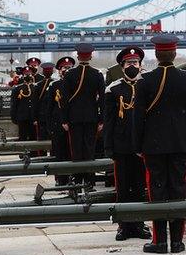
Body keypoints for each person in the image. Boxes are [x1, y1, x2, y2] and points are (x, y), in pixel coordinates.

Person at [133, 35, 186, 254]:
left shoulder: (145, 81)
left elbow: (137, 117)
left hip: (153, 145)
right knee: (178, 190)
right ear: (174, 54)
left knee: (157, 191)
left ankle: (160, 241)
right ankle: (178, 242)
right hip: (181, 144)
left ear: (156, 54)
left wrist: (138, 145)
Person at [104, 46, 151, 241]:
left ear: (140, 66)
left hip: (141, 147)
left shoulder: (147, 86)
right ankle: (124, 226)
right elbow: (108, 121)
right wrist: (108, 147)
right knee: (122, 188)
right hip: (121, 146)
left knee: (140, 188)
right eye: (129, 63)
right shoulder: (113, 89)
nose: (132, 66)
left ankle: (139, 225)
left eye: (135, 63)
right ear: (122, 66)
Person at [61, 44, 105, 188]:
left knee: (76, 150)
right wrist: (101, 119)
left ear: (78, 57)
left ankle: (78, 180)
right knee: (89, 150)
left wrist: (64, 119)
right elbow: (102, 99)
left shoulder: (69, 74)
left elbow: (64, 99)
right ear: (90, 56)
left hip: (74, 118)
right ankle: (89, 181)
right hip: (91, 117)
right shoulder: (97, 74)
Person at [45, 57, 75, 185]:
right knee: (60, 153)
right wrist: (50, 127)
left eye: (69, 68)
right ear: (59, 70)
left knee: (73, 154)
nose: (67, 70)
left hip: (73, 124)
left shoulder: (77, 84)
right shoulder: (54, 85)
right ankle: (61, 180)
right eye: (64, 68)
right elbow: (49, 108)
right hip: (58, 125)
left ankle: (73, 179)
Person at [9, 67, 38, 142]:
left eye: (29, 74)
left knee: (34, 137)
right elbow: (14, 104)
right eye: (26, 74)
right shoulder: (17, 89)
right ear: (23, 76)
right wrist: (14, 117)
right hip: (22, 117)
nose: (28, 76)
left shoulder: (36, 87)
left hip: (33, 117)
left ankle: (33, 154)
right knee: (22, 137)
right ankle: (23, 153)